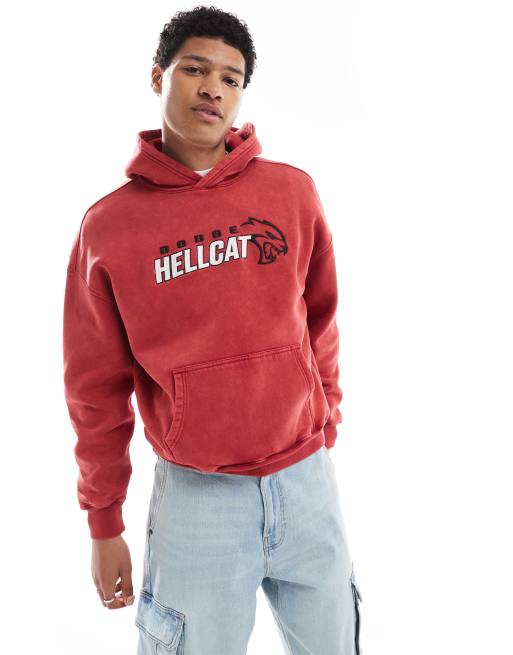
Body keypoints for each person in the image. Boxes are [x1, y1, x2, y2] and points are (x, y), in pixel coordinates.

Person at [62, 5, 363, 654]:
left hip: (306, 482)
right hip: (198, 502)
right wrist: (103, 521)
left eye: (231, 78)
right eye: (194, 70)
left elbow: (321, 319)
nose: (213, 89)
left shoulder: (291, 193)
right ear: (157, 77)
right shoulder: (109, 228)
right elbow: (94, 389)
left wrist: (324, 423)